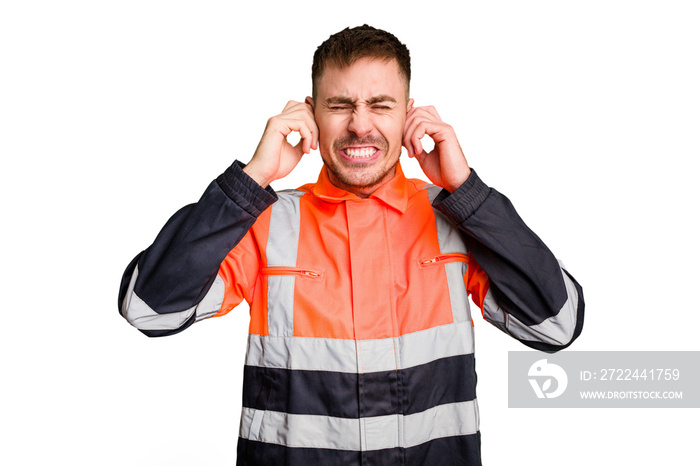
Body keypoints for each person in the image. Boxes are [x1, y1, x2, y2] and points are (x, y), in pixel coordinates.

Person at [119, 25, 584, 465]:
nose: (360, 126)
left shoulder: (457, 219)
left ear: (409, 114)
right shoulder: (264, 219)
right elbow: (149, 307)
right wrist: (252, 178)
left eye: (380, 104)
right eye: (340, 104)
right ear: (310, 113)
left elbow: (556, 325)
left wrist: (467, 192)